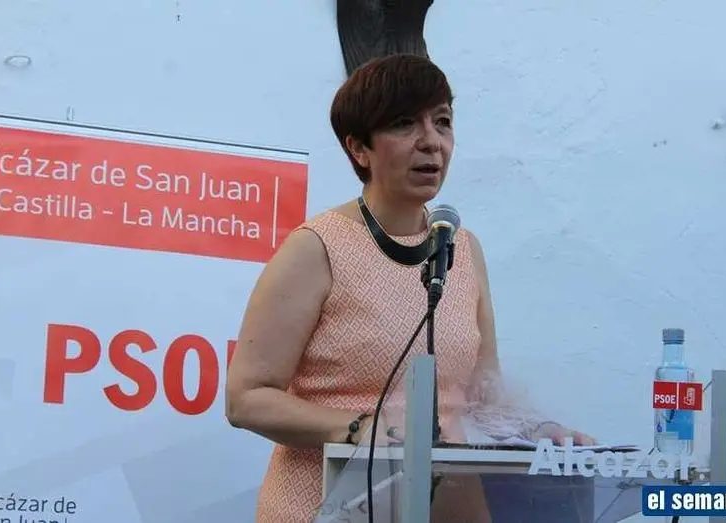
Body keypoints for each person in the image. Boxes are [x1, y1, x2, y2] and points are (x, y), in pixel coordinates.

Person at [225, 53, 595, 523]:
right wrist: (359, 427)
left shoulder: (462, 247)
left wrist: (540, 431)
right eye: (404, 124)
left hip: (449, 506)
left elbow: (482, 392)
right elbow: (247, 398)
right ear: (359, 149)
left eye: (443, 122)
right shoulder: (316, 248)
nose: (431, 142)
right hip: (327, 505)